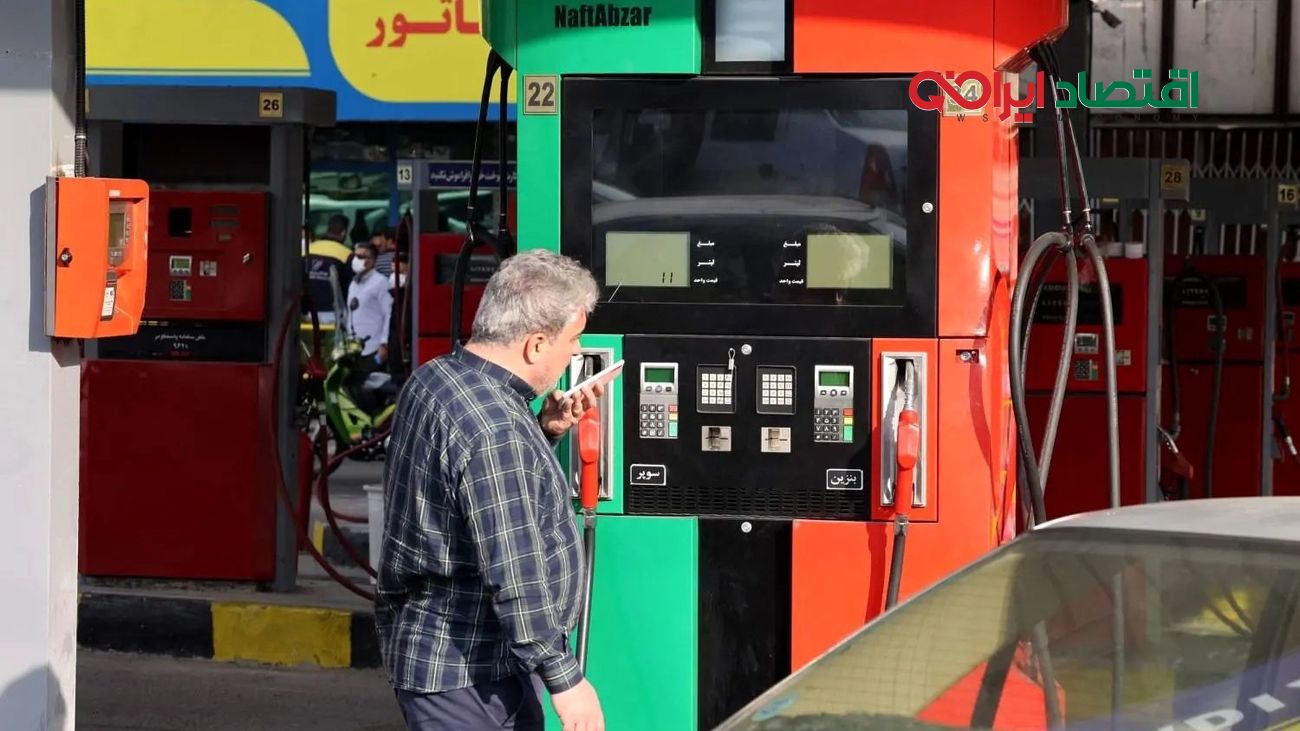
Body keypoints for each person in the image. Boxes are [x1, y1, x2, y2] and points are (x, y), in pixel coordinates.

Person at [377, 249, 607, 731]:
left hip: (454, 659)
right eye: (573, 340)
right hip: (469, 672)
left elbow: (462, 492)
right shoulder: (497, 427)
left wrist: (543, 430)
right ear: (536, 343)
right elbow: (515, 567)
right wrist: (566, 680)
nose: (576, 353)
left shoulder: (437, 378)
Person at [346, 241, 392, 363]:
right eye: (355, 256)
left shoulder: (381, 282)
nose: (356, 260)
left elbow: (388, 314)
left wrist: (384, 343)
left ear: (372, 261)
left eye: (361, 257)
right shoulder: (353, 283)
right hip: (353, 347)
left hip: (373, 347)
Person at [305, 214, 354, 324]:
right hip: (333, 313)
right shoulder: (347, 254)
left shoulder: (308, 250)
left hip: (308, 311)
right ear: (344, 232)